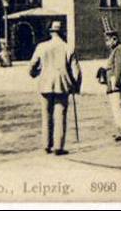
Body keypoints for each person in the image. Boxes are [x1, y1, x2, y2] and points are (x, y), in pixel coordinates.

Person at [29, 21, 82, 156]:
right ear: (62, 32)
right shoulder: (67, 47)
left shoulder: (42, 47)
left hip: (45, 84)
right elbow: (76, 71)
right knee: (60, 115)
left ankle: (46, 145)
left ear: (51, 32)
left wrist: (34, 74)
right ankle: (58, 147)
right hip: (62, 85)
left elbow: (32, 66)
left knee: (46, 115)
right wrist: (76, 86)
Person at [102, 30, 121, 142]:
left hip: (116, 84)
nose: (107, 43)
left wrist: (116, 83)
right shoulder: (115, 50)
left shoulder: (119, 50)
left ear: (115, 39)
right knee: (117, 108)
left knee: (119, 108)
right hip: (114, 84)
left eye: (108, 40)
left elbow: (119, 68)